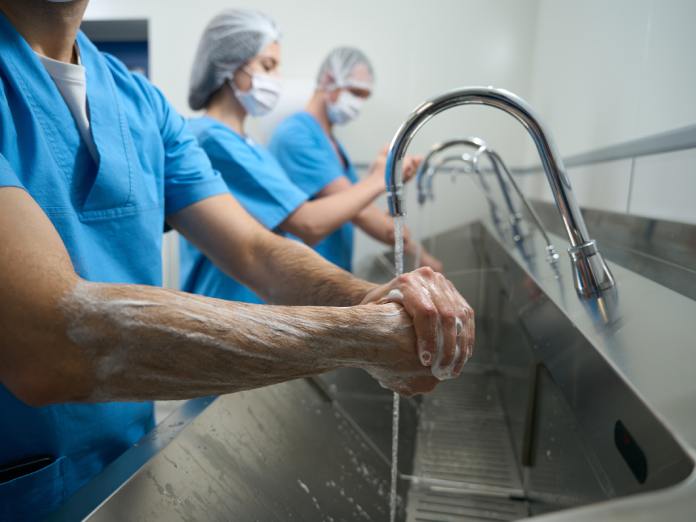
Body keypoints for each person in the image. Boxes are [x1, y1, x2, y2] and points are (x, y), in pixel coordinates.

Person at [0, 1, 474, 520]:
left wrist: (370, 299)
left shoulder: (138, 102)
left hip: (127, 469)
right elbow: (46, 341)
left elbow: (256, 249)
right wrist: (361, 335)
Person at [180, 9, 432, 304]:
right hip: (225, 308)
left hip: (255, 306)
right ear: (228, 64)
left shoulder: (248, 145)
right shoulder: (213, 141)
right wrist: (379, 179)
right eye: (267, 65)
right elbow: (309, 224)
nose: (275, 78)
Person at [269, 47, 442, 273]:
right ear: (330, 80)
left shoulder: (332, 143)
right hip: (306, 274)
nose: (359, 104)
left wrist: (385, 178)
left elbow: (356, 203)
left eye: (364, 97)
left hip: (332, 270)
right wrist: (422, 255)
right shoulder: (296, 136)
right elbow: (371, 220)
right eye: (356, 93)